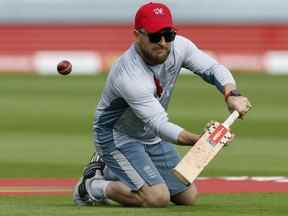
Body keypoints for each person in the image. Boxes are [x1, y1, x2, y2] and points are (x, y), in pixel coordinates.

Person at [73, 2, 252, 207]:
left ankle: (112, 168)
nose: (164, 43)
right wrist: (203, 141)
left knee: (188, 197)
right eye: (155, 36)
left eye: (169, 34)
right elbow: (160, 125)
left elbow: (212, 68)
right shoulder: (129, 75)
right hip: (117, 137)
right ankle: (92, 185)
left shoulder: (180, 47)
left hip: (149, 135)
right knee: (157, 198)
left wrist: (231, 94)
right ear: (137, 35)